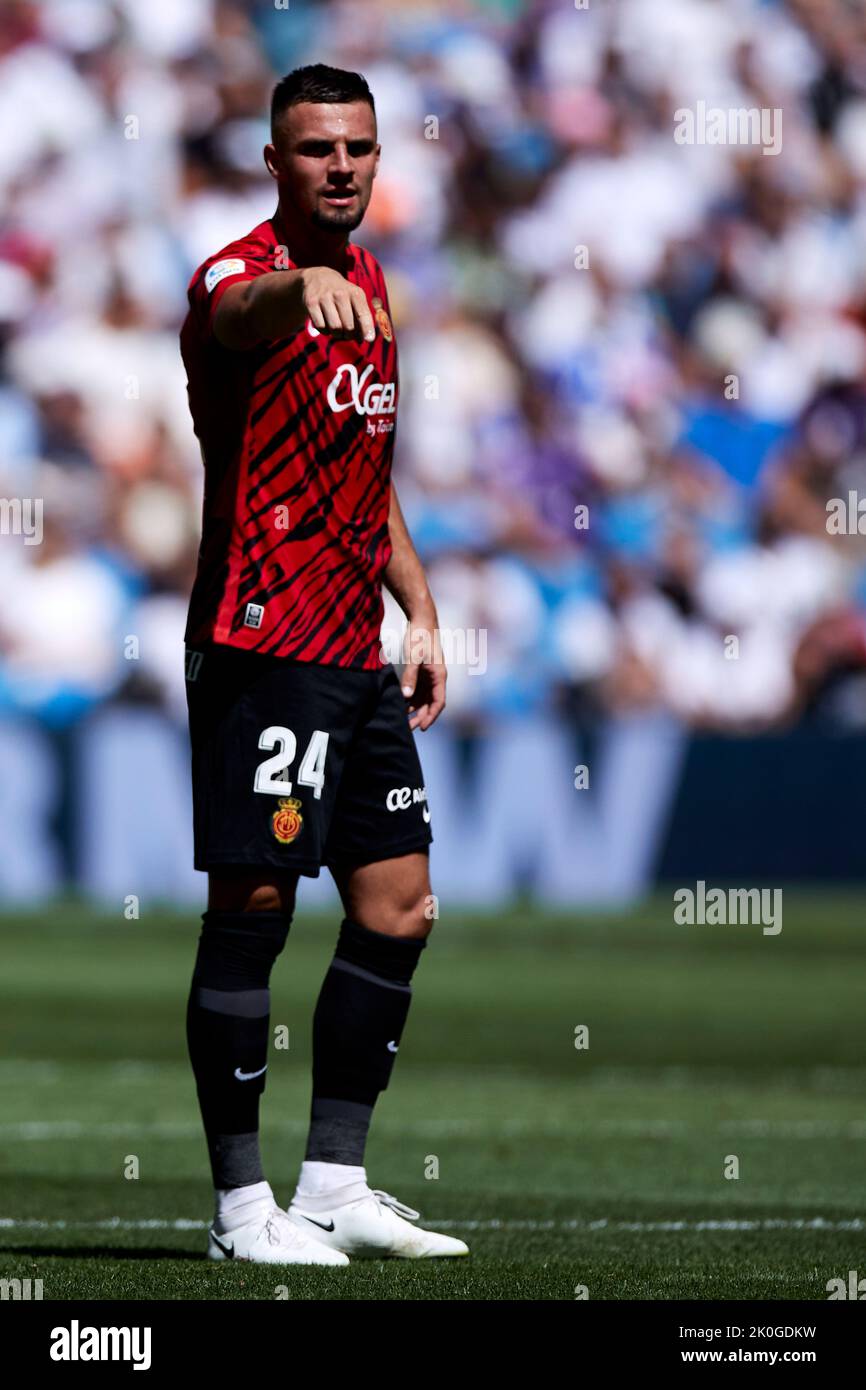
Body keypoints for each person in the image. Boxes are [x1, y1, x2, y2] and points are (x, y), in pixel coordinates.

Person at [179, 64, 466, 1264]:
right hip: (262, 645)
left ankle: (336, 1181)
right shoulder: (242, 280)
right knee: (253, 907)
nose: (339, 167)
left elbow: (366, 475)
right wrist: (294, 291)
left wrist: (421, 608)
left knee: (399, 908)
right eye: (314, 149)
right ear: (273, 162)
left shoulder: (375, 286)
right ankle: (243, 1210)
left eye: (357, 148)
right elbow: (236, 320)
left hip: (352, 648)